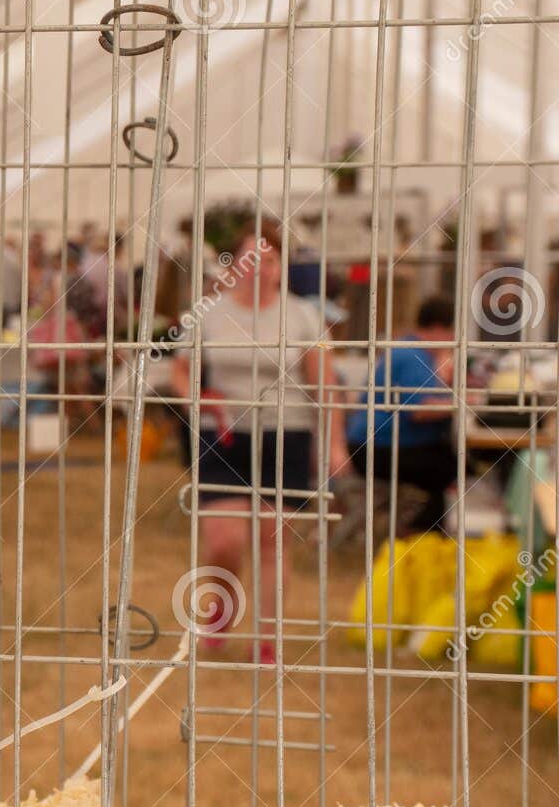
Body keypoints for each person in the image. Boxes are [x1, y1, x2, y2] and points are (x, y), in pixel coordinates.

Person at [171, 219, 348, 663]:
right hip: (224, 435)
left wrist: (334, 445)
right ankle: (220, 610)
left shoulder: (305, 315)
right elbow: (180, 370)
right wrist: (195, 395)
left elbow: (326, 384)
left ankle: (268, 641)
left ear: (281, 266)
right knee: (224, 541)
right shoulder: (207, 314)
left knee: (274, 536)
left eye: (269, 260)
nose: (259, 268)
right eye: (251, 258)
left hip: (287, 434)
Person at [345, 294, 457, 533]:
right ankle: (424, 532)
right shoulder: (413, 355)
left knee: (446, 460)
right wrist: (463, 403)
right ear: (439, 328)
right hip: (379, 449)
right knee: (449, 465)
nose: (453, 340)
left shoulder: (409, 350)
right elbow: (418, 411)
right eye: (452, 333)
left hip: (373, 444)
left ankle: (425, 530)